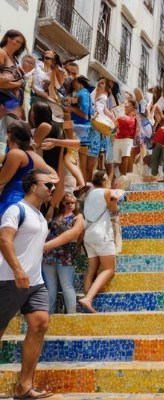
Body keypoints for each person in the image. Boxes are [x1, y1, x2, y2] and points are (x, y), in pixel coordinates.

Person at [0, 169, 54, 399]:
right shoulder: (16, 209)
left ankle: (24, 387)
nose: (52, 189)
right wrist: (18, 269)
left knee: (40, 323)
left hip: (35, 282)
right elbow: (4, 239)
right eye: (47, 185)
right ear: (33, 186)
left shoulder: (40, 215)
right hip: (10, 278)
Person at [79, 170, 119, 313]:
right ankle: (88, 298)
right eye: (107, 179)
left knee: (92, 269)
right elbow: (113, 210)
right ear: (103, 180)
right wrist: (116, 200)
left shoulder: (89, 194)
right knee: (109, 269)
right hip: (101, 234)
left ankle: (85, 298)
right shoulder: (107, 192)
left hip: (88, 234)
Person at [0, 121, 57, 215]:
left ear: (11, 134)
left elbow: (1, 181)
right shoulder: (33, 155)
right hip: (28, 205)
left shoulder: (15, 154)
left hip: (11, 203)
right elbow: (54, 174)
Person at [42, 193, 84, 314]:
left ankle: (72, 314)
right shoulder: (56, 214)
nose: (71, 205)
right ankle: (49, 314)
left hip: (66, 255)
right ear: (62, 204)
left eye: (73, 203)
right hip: (50, 254)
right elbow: (47, 221)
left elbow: (76, 235)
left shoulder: (77, 217)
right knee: (51, 287)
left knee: (66, 285)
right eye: (67, 203)